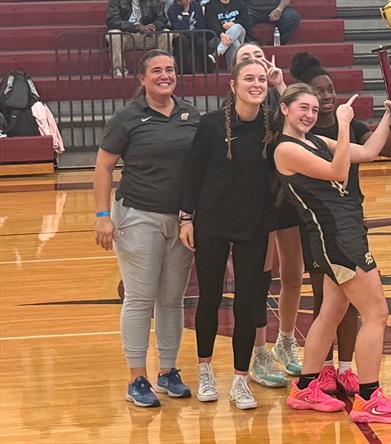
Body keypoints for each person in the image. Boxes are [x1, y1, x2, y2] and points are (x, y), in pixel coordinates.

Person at [273, 84, 391, 423]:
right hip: (338, 239)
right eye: (302, 108)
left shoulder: (318, 142)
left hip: (345, 234)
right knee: (377, 313)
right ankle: (369, 398)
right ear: (285, 109)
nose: (309, 114)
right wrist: (345, 123)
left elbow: (368, 152)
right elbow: (338, 171)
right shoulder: (285, 149)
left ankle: (305, 387)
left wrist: (388, 116)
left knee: (331, 312)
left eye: (313, 109)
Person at [94, 49, 200, 407]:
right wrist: (102, 215)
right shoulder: (127, 118)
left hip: (181, 220)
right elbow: (103, 167)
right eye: (156, 70)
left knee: (172, 299)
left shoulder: (190, 114)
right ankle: (136, 378)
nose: (165, 75)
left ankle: (168, 372)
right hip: (137, 215)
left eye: (170, 69)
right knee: (140, 299)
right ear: (142, 79)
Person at [178, 59, 277, 410]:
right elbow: (193, 171)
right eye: (248, 78)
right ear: (232, 85)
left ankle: (240, 379)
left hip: (254, 225)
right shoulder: (210, 124)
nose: (256, 84)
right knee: (209, 297)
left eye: (261, 79)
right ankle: (205, 370)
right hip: (212, 222)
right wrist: (186, 218)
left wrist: (279, 85)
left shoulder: (273, 125)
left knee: (248, 301)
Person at [289, 52, 370, 396]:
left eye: (330, 89)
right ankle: (322, 369)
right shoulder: (303, 136)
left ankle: (347, 368)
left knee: (348, 300)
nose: (326, 96)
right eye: (318, 91)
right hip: (319, 228)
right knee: (325, 299)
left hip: (350, 223)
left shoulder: (350, 127)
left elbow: (384, 150)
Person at [226, 43, 291, 389]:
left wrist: (280, 84)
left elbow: (301, 120)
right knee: (250, 283)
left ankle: (271, 347)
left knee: (272, 278)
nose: (253, 65)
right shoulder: (226, 118)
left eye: (258, 60)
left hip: (276, 204)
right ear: (234, 76)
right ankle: (255, 353)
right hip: (242, 211)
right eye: (245, 61)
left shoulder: (274, 113)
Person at [105, 0, 171, 77]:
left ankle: (163, 66)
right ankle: (118, 69)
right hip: (126, 36)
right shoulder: (117, 1)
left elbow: (162, 19)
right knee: (114, 34)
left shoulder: (152, 1)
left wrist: (154, 26)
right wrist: (136, 27)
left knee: (166, 33)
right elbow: (112, 21)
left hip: (147, 35)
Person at [167, 0, 216, 74]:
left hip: (195, 34)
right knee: (183, 42)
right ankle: (186, 73)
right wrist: (185, 13)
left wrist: (189, 33)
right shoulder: (172, 9)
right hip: (181, 36)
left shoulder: (196, 6)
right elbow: (181, 29)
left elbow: (200, 25)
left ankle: (208, 71)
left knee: (200, 41)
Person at [205, 0, 255, 68]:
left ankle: (218, 52)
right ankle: (233, 72)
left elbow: (247, 21)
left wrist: (233, 23)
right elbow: (212, 24)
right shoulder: (211, 5)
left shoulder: (240, 3)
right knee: (234, 43)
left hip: (240, 33)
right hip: (217, 37)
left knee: (237, 26)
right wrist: (222, 34)